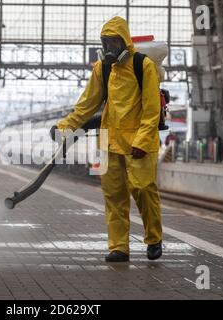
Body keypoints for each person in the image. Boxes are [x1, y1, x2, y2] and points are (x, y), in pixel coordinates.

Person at [53, 17, 163, 262]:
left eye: (114, 41)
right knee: (114, 196)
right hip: (110, 142)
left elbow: (151, 109)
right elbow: (86, 105)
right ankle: (119, 247)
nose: (110, 47)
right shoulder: (102, 69)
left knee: (143, 189)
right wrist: (64, 127)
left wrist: (143, 141)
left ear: (124, 41)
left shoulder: (142, 65)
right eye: (106, 42)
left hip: (138, 144)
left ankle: (154, 238)